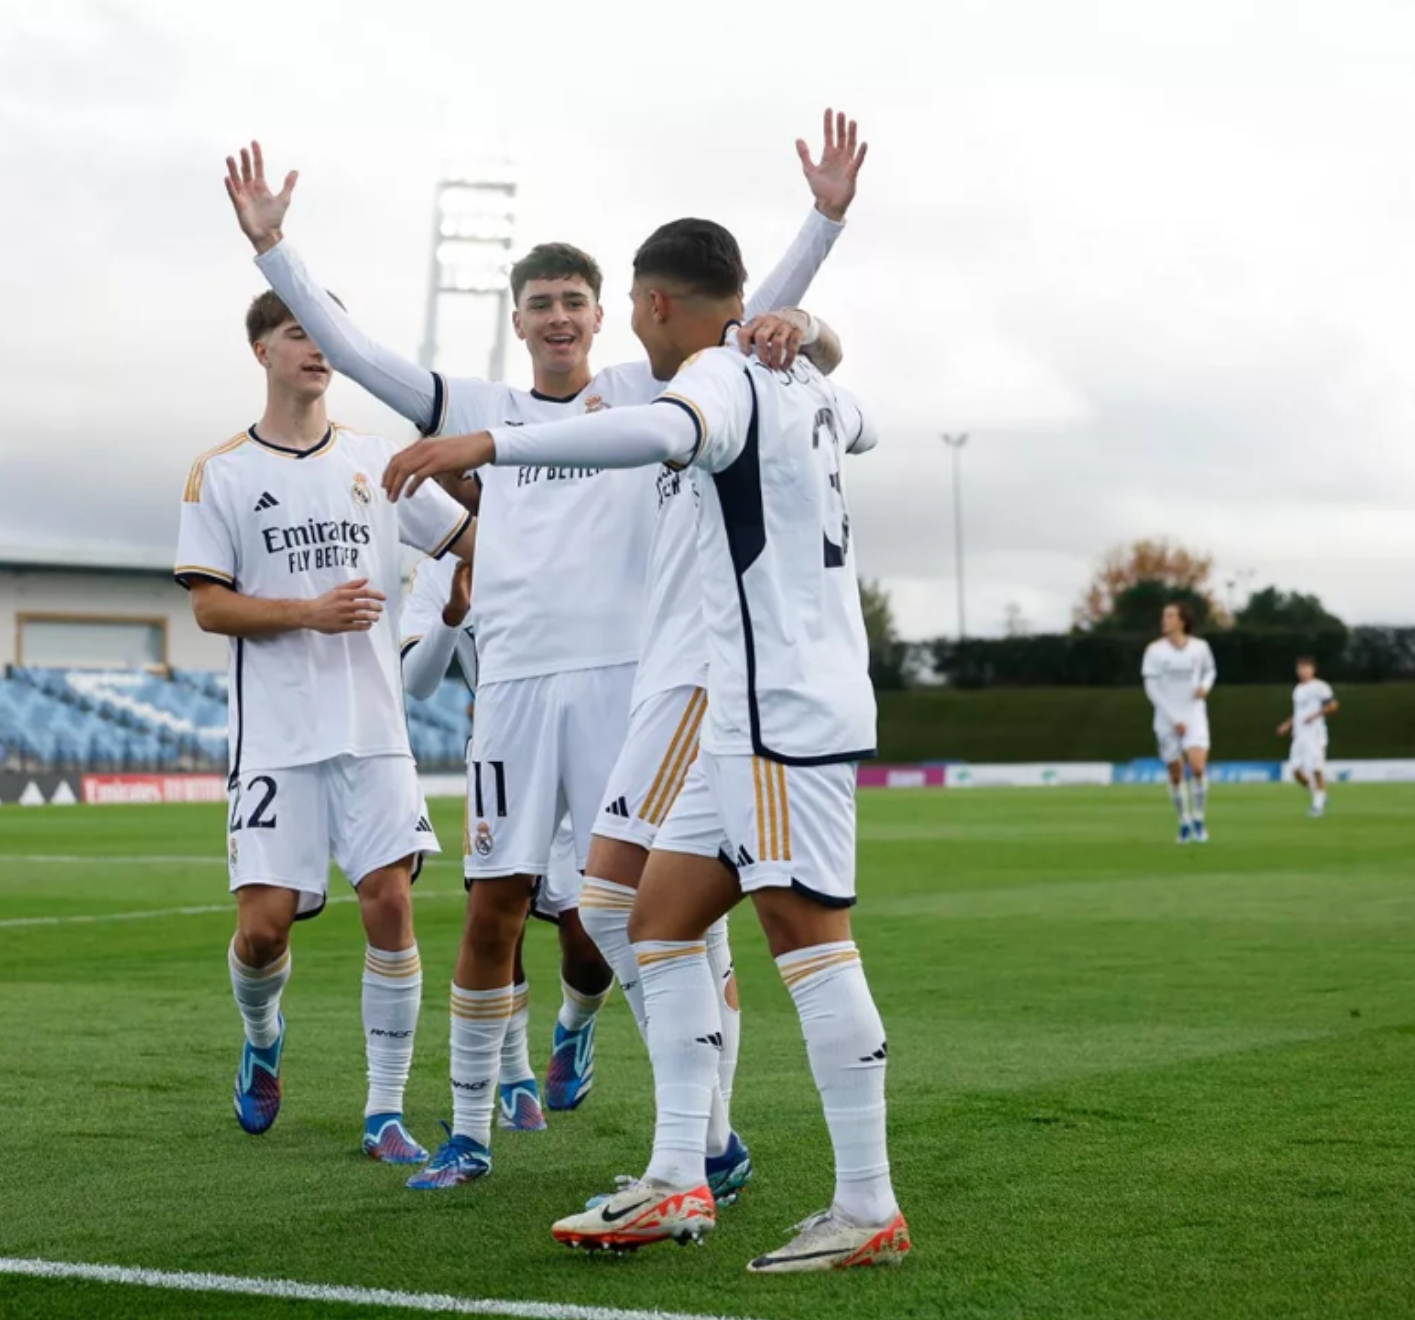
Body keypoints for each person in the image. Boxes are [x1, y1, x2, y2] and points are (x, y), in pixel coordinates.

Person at [226, 116, 855, 1194]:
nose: (559, 317)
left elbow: (740, 317)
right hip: (513, 691)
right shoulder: (477, 407)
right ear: (517, 321)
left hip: (632, 688)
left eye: (576, 302)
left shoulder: (648, 390)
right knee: (492, 907)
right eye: (541, 304)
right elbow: (361, 353)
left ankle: (705, 1134)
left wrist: (825, 221)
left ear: (607, 315)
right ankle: (470, 1128)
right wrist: (273, 250)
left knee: (655, 926)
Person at [385, 215, 907, 1272]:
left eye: (626, 303)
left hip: (772, 708)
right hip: (739, 704)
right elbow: (866, 423)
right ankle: (680, 1174)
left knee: (807, 938)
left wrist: (492, 442)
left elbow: (656, 434)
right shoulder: (804, 386)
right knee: (647, 918)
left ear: (657, 305)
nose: (623, 323)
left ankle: (867, 1204)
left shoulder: (714, 382)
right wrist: (812, 330)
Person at [175, 289, 477, 1170]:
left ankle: (384, 1110)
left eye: (327, 335)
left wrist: (477, 563)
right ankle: (263, 1035)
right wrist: (309, 611)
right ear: (262, 351)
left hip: (375, 729)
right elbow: (208, 607)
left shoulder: (380, 462)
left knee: (391, 903)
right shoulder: (219, 472)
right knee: (265, 930)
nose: (318, 349)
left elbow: (471, 538)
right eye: (299, 332)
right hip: (273, 737)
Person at [398, 555, 598, 1132]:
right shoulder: (439, 562)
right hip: (504, 756)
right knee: (496, 924)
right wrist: (453, 614)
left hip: (584, 743)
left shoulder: (566, 515)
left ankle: (576, 1023)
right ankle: (515, 1083)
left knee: (590, 940)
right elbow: (417, 680)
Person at [1141, 602, 1217, 843]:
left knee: (1197, 768)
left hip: (1194, 714)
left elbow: (1210, 671)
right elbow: (1152, 689)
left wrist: (1204, 688)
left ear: (1182, 621)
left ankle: (1199, 817)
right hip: (1167, 719)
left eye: (1170, 616)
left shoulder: (1200, 647)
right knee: (1175, 774)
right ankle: (1183, 820)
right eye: (1164, 616)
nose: (1164, 620)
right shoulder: (1154, 651)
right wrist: (1174, 719)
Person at [1276, 656, 1337, 816]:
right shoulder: (1297, 689)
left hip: (1314, 733)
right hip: (1299, 734)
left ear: (1313, 669)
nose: (1303, 671)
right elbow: (1298, 712)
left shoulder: (1320, 687)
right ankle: (1319, 794)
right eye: (1300, 668)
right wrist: (1287, 724)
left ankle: (1318, 805)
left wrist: (1315, 715)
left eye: (1306, 667)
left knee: (1316, 768)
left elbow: (1333, 706)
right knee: (1296, 770)